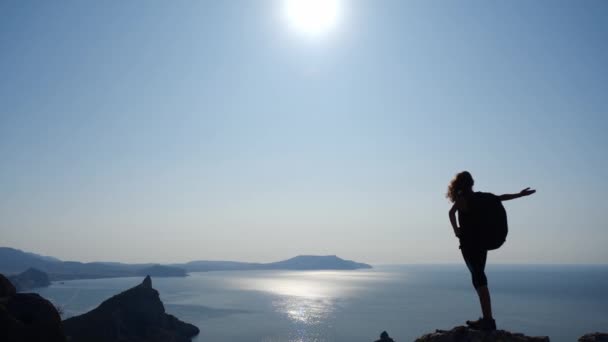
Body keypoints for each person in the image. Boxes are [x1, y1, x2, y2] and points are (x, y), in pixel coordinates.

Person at [447, 171, 535, 331]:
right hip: (482, 244)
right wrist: (520, 195)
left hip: (469, 245)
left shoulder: (461, 199)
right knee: (479, 278)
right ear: (472, 183)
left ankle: (488, 320)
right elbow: (500, 198)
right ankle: (487, 319)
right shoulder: (482, 197)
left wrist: (456, 230)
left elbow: (451, 213)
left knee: (479, 279)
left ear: (458, 184)